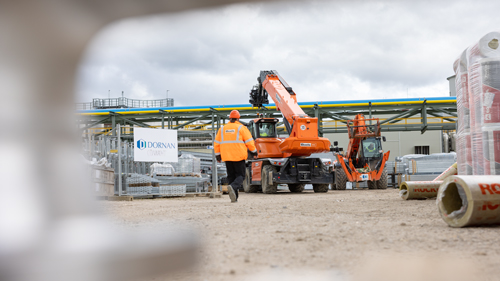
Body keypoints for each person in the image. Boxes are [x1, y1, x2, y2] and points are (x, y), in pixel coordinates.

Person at [214, 110, 257, 203]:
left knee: (231, 177)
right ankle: (233, 187)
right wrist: (254, 152)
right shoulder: (241, 128)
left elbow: (216, 143)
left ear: (230, 118)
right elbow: (250, 141)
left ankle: (234, 197)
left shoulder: (222, 129)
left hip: (227, 157)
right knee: (241, 175)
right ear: (238, 118)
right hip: (238, 156)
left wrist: (218, 156)